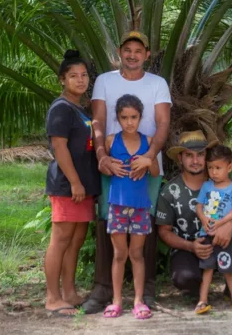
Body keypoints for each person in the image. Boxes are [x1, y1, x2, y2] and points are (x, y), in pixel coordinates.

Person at [82, 31, 172, 314]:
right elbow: (98, 121)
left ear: (147, 54)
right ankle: (104, 289)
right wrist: (101, 156)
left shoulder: (157, 84)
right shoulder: (104, 81)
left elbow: (163, 123)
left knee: (145, 222)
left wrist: (148, 157)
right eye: (127, 49)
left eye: (138, 50)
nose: (132, 54)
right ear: (119, 52)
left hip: (148, 164)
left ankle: (145, 292)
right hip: (114, 163)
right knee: (107, 221)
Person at [157, 131, 232, 304]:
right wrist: (190, 246)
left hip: (226, 241)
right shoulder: (170, 191)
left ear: (207, 157)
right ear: (180, 158)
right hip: (191, 247)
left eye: (200, 155)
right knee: (184, 277)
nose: (195, 161)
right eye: (189, 155)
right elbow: (164, 231)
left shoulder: (221, 180)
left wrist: (230, 226)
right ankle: (200, 293)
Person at [43, 50, 100, 317]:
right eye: (73, 76)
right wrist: (75, 182)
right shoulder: (61, 108)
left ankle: (69, 292)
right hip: (68, 186)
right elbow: (59, 147)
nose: (80, 80)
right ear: (62, 80)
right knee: (61, 239)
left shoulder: (79, 109)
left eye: (84, 75)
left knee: (76, 240)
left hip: (83, 186)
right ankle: (52, 297)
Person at [101, 95, 160, 319]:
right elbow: (103, 167)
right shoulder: (110, 141)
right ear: (117, 118)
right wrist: (108, 166)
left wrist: (149, 161)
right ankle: (116, 301)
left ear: (140, 117)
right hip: (117, 204)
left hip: (140, 206)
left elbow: (155, 173)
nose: (129, 122)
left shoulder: (148, 141)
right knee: (119, 254)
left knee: (136, 254)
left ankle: (138, 300)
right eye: (124, 117)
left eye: (133, 117)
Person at [194, 145, 232, 315]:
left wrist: (222, 223)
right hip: (207, 235)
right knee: (207, 269)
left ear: (229, 167)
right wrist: (203, 218)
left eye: (218, 168)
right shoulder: (206, 186)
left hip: (228, 237)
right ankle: (202, 301)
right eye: (210, 168)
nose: (214, 172)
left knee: (229, 269)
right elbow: (199, 205)